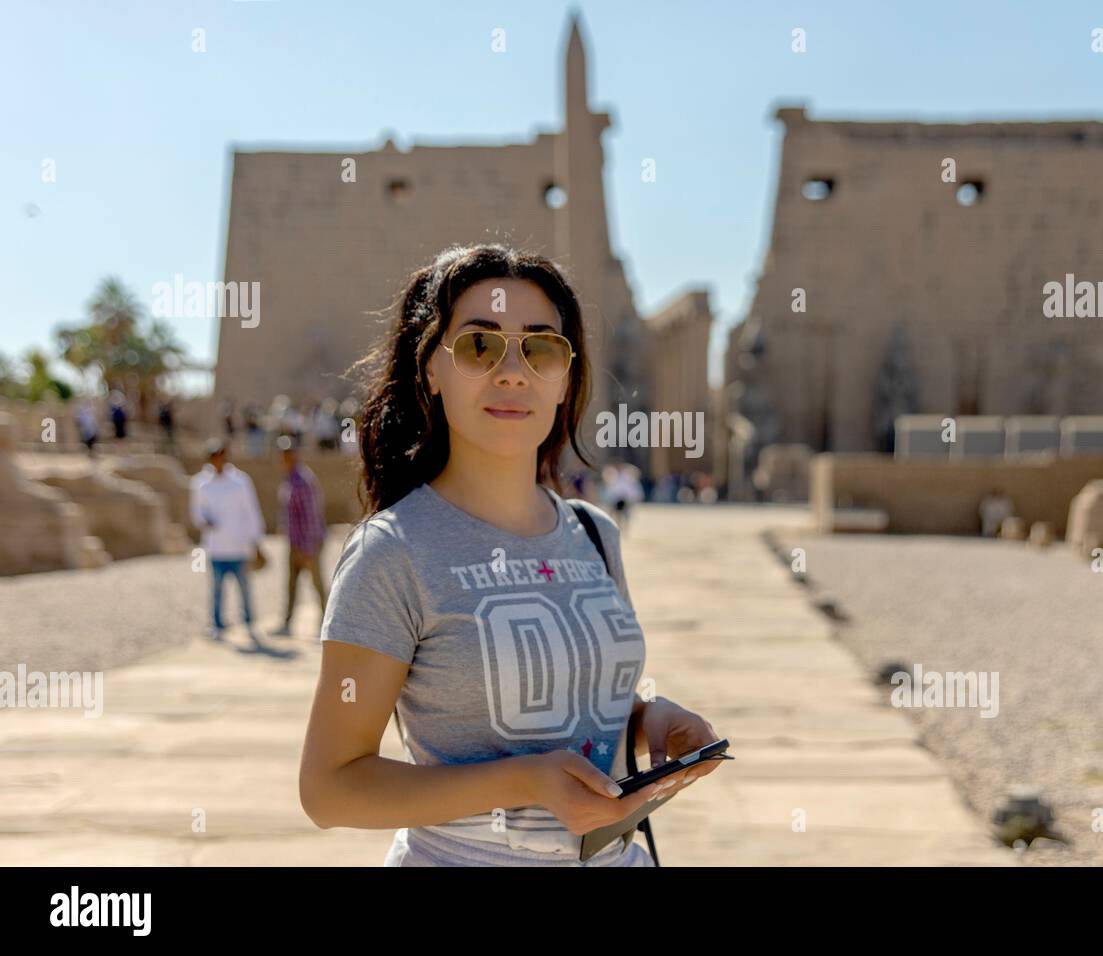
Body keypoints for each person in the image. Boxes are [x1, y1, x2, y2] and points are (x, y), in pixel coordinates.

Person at [299, 243, 723, 867]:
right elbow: (329, 789)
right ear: (430, 371)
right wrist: (522, 784)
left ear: (566, 378)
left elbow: (564, 697)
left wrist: (646, 720)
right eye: (479, 345)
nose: (513, 371)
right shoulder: (393, 554)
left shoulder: (594, 532)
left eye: (541, 348)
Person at [190, 439, 265, 639]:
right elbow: (197, 513)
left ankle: (249, 621)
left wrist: (256, 540)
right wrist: (206, 521)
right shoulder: (201, 484)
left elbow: (251, 512)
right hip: (216, 547)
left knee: (244, 588)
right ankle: (217, 623)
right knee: (216, 590)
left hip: (239, 545)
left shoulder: (241, 482)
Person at [271, 436, 328, 636]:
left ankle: (329, 622)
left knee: (317, 584)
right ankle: (287, 622)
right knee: (291, 585)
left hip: (308, 542)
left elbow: (311, 516)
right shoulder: (289, 479)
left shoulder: (302, 480)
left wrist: (308, 548)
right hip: (294, 542)